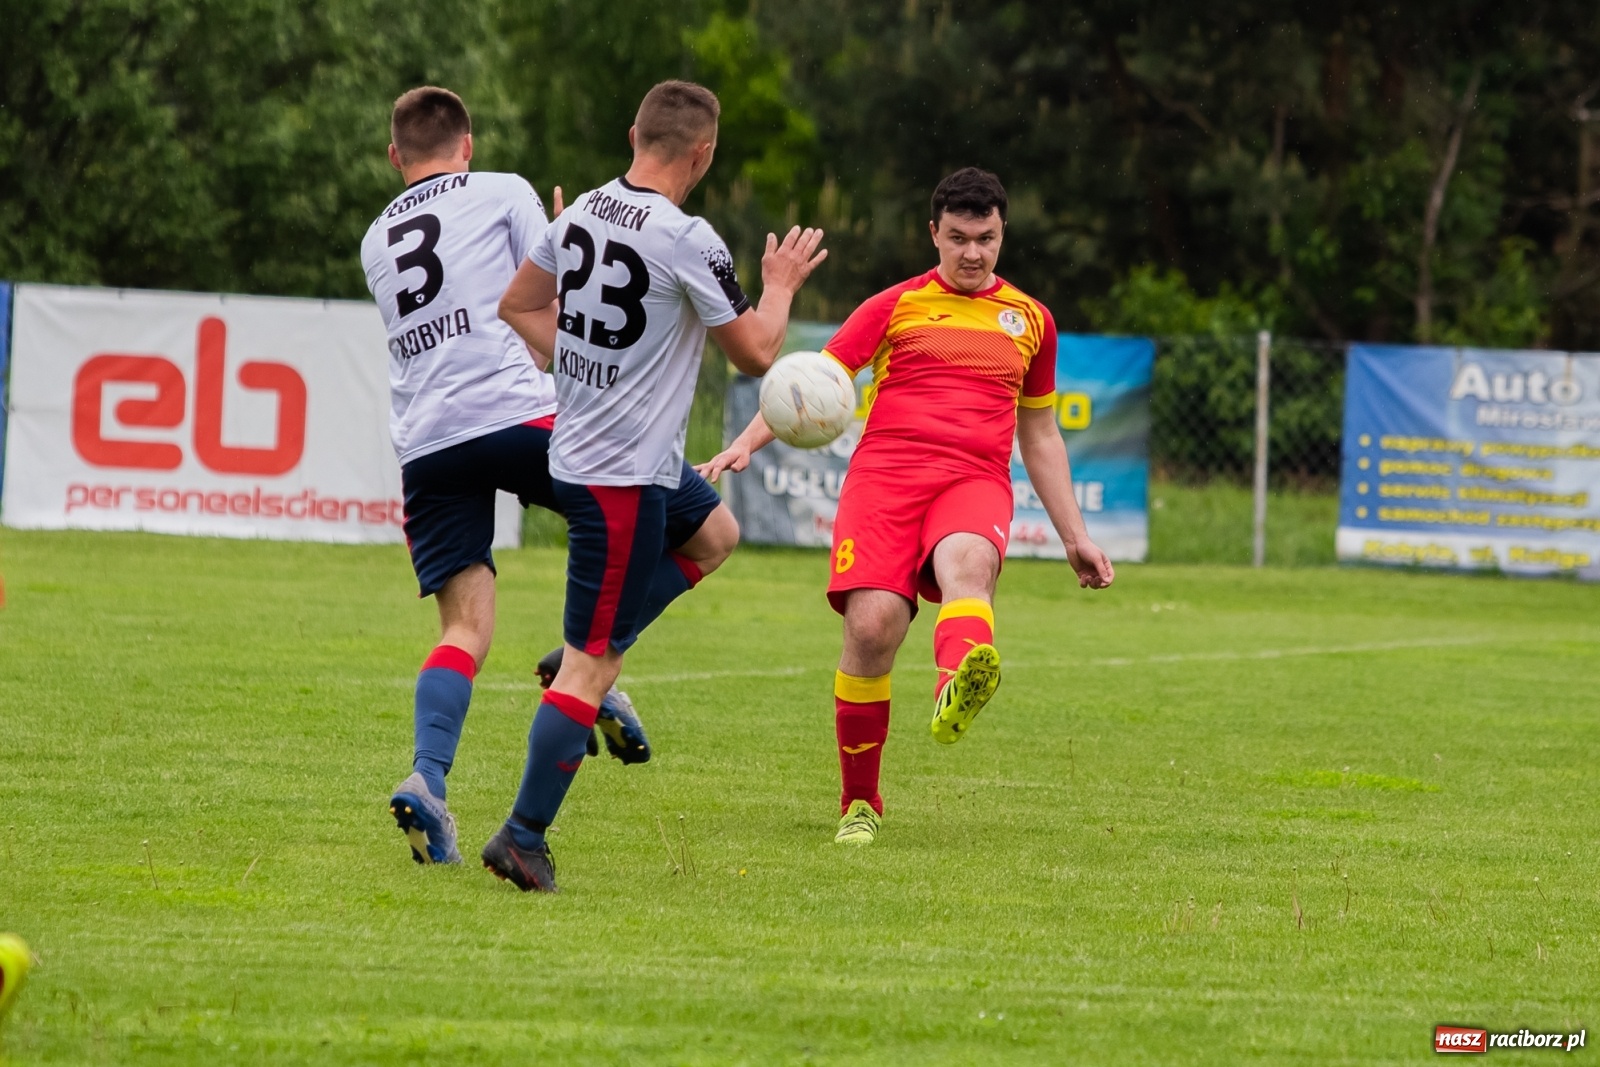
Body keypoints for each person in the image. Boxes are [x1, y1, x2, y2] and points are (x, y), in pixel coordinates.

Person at [358, 86, 732, 869]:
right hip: (527, 421)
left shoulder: (376, 236)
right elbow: (558, 319)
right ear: (468, 144)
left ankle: (428, 778)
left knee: (464, 629)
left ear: (397, 158)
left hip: (428, 442)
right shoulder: (504, 191)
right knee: (710, 531)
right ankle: (589, 666)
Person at [701, 167, 1114, 847]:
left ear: (1002, 232)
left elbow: (1039, 433)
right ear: (934, 234)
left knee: (968, 564)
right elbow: (812, 387)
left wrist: (1074, 534)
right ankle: (859, 803)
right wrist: (745, 443)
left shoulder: (1032, 321)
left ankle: (959, 679)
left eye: (985, 238)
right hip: (885, 480)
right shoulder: (895, 306)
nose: (973, 253)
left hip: (973, 477)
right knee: (871, 626)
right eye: (958, 238)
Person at [490, 79, 827, 892]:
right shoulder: (689, 236)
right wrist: (779, 284)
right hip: (619, 479)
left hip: (602, 454)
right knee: (591, 670)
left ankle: (585, 645)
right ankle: (522, 837)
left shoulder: (580, 213)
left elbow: (519, 304)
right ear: (703, 154)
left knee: (716, 535)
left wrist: (575, 363)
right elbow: (754, 353)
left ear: (634, 131)